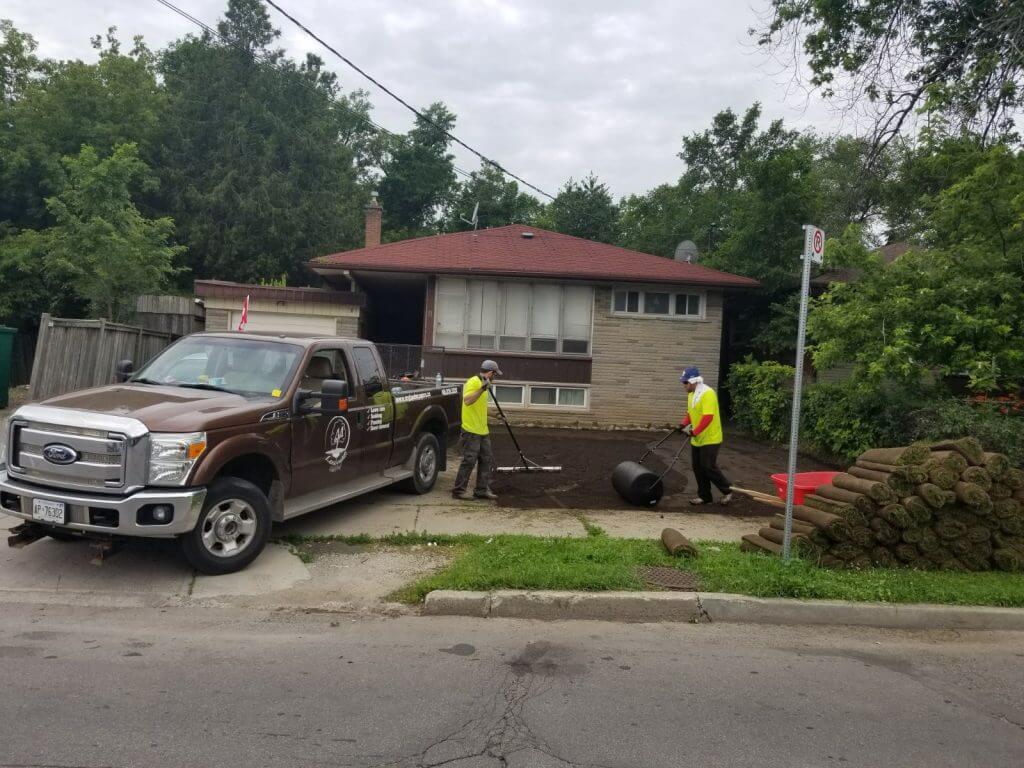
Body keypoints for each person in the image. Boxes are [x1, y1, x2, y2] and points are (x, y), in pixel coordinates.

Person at [678, 366, 733, 506]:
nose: (683, 385)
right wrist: (683, 424)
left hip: (711, 438)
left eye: (685, 383)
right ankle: (705, 496)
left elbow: (708, 417)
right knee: (697, 467)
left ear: (693, 381)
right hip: (697, 439)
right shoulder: (691, 394)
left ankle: (728, 491)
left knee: (708, 466)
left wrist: (694, 431)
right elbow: (691, 413)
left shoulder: (708, 394)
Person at [452, 359, 503, 501]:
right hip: (471, 431)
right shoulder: (473, 382)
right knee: (469, 461)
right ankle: (458, 491)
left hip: (483, 430)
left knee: (486, 460)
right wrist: (481, 389)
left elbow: (481, 407)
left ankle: (481, 490)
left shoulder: (485, 385)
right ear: (491, 373)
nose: (495, 377)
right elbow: (468, 401)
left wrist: (496, 415)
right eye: (495, 374)